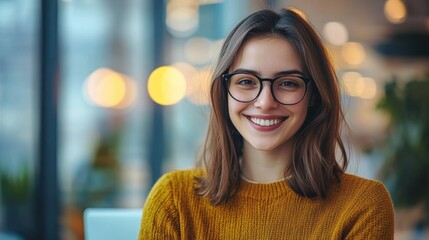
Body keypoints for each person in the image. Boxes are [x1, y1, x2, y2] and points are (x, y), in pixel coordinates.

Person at [139, 8, 394, 239]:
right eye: (246, 81)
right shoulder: (174, 199)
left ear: (314, 94)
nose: (265, 102)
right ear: (224, 92)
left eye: (287, 83)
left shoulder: (363, 206)